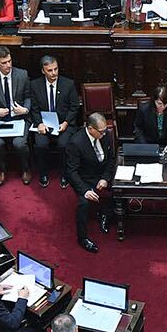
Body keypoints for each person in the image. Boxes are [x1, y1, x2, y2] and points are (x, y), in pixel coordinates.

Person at [63, 111, 117, 253]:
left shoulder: (106, 135)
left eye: (105, 130)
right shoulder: (75, 143)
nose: (104, 134)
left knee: (120, 188)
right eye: (101, 131)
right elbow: (71, 172)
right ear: (91, 129)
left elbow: (111, 159)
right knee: (84, 203)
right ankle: (82, 238)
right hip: (85, 178)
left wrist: (105, 178)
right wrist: (85, 190)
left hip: (102, 174)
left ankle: (106, 213)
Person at [0, 45, 32, 185]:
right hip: (0, 119)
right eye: (4, 63)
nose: (8, 65)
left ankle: (25, 169)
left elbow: (28, 96)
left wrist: (25, 109)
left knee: (19, 144)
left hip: (19, 117)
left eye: (9, 61)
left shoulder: (22, 74)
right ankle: (2, 170)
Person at [27, 55, 81, 186]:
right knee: (40, 145)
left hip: (64, 124)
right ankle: (43, 173)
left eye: (56, 69)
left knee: (63, 144)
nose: (54, 73)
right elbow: (34, 108)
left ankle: (65, 174)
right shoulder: (35, 85)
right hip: (43, 124)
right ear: (43, 71)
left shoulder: (68, 84)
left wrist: (66, 123)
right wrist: (39, 123)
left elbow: (74, 107)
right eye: (50, 70)